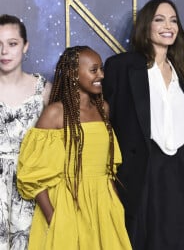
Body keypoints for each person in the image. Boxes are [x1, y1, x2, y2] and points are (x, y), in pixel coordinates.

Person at [103, 0, 184, 250]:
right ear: (145, 26)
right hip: (142, 173)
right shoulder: (122, 66)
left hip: (178, 172)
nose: (168, 26)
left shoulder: (182, 74)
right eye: (159, 19)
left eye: (173, 20)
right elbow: (106, 121)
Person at [16, 46, 132, 250]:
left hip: (103, 205)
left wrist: (115, 205)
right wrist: (54, 218)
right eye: (94, 70)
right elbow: (34, 175)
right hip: (68, 204)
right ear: (73, 73)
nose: (101, 75)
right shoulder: (55, 114)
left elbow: (109, 165)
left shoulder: (103, 109)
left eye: (101, 69)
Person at [0, 14, 51, 249]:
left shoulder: (43, 90)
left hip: (30, 189)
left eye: (12, 44)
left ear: (25, 46)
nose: (4, 51)